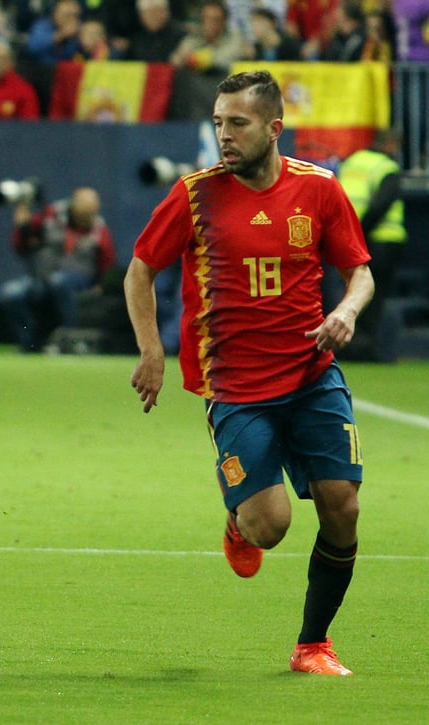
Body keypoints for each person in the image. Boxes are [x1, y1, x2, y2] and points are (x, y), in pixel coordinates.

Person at [124, 70, 373, 676]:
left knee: (342, 506)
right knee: (270, 528)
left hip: (312, 376)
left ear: (273, 128)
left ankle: (312, 645)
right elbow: (139, 270)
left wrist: (345, 310)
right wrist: (152, 351)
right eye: (217, 124)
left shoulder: (319, 190)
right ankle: (240, 517)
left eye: (237, 124)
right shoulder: (194, 195)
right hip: (235, 390)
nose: (224, 136)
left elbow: (360, 272)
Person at [0, 187, 116, 352]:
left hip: (79, 279)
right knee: (11, 293)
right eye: (84, 214)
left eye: (90, 214)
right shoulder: (49, 218)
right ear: (74, 207)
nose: (87, 218)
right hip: (40, 279)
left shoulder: (99, 230)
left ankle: (70, 338)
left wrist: (102, 284)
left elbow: (107, 261)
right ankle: (29, 343)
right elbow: (22, 246)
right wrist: (22, 227)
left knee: (59, 282)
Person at [337, 127, 404, 361]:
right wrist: (362, 231)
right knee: (373, 297)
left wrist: (350, 234)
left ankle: (345, 345)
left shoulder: (350, 163)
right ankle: (366, 348)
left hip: (346, 240)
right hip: (382, 240)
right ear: (390, 145)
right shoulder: (387, 168)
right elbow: (380, 204)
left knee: (348, 293)